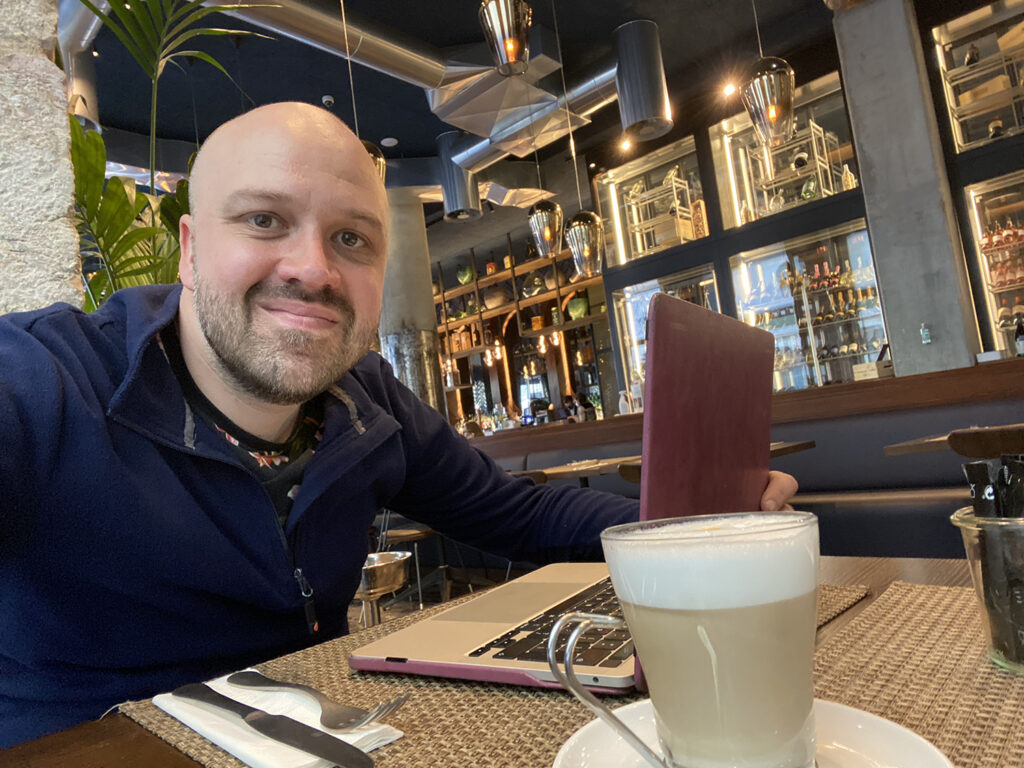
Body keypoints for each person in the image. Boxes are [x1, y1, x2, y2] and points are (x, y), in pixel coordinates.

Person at [0, 102, 797, 747]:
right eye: (264, 221)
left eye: (351, 238)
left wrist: (690, 525)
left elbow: (518, 515)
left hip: (323, 732)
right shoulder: (47, 379)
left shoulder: (364, 399)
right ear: (188, 249)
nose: (313, 269)